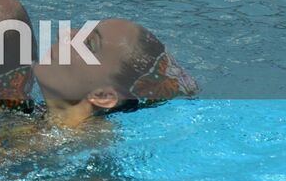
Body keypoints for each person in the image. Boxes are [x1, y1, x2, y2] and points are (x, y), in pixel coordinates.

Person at [33, 18, 196, 128]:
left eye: (89, 45)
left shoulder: (84, 157)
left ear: (103, 96)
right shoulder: (35, 118)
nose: (65, 33)